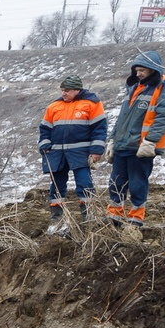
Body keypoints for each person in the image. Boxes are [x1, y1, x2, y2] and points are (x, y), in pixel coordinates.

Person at [105, 50, 165, 232]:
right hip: (124, 144)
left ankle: (135, 219)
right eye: (136, 70)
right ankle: (114, 215)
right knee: (116, 182)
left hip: (141, 147)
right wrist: (112, 140)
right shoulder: (134, 88)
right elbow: (123, 118)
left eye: (142, 70)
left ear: (153, 69)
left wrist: (150, 141)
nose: (138, 74)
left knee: (138, 183)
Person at [38, 74, 106, 235]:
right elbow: (44, 129)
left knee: (85, 183)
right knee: (56, 185)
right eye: (62, 90)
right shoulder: (54, 106)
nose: (63, 93)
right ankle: (57, 218)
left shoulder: (92, 103)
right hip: (56, 153)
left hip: (80, 152)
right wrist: (44, 145)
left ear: (77, 90)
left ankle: (89, 216)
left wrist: (96, 151)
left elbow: (99, 129)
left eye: (67, 90)